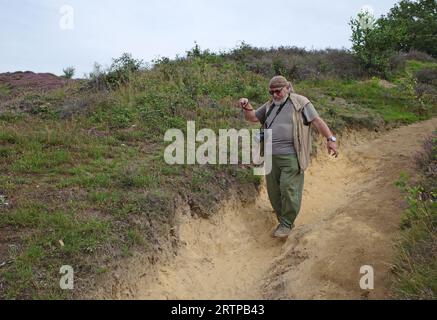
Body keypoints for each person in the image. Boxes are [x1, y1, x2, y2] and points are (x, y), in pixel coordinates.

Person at [239, 75, 339, 238]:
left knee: (288, 188)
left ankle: (287, 223)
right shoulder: (270, 105)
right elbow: (253, 118)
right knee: (274, 191)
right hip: (270, 156)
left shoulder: (300, 102)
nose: (275, 95)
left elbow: (317, 121)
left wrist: (330, 139)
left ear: (287, 88)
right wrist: (246, 106)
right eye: (271, 92)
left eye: (278, 91)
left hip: (292, 155)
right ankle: (282, 219)